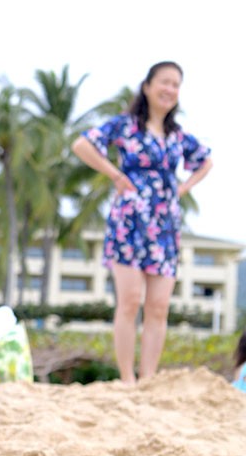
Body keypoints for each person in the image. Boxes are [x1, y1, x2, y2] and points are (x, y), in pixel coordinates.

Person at [71, 62, 212, 384]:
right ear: (147, 86)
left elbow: (206, 162)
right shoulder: (125, 126)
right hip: (129, 222)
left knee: (159, 306)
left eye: (176, 84)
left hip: (165, 224)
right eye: (164, 82)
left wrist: (184, 188)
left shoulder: (178, 136)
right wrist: (116, 175)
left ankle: (148, 378)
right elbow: (82, 145)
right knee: (130, 301)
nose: (170, 89)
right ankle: (127, 379)